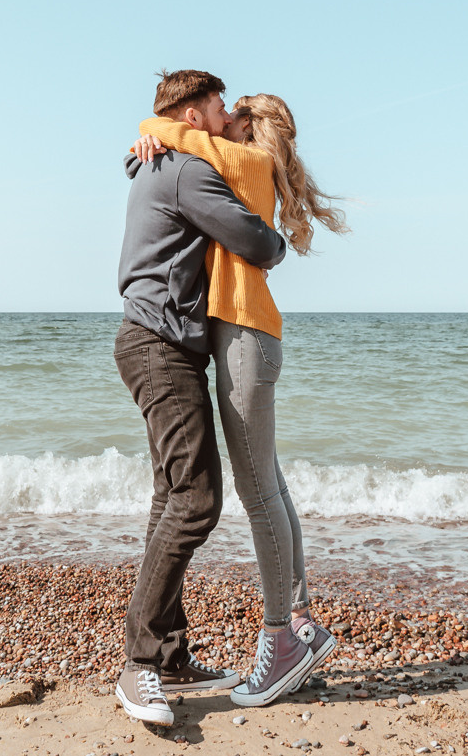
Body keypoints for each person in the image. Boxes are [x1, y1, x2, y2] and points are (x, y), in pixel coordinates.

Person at [129, 91, 349, 707]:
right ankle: (299, 620)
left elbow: (189, 137)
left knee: (256, 493)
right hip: (247, 336)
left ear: (246, 129)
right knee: (269, 485)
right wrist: (160, 137)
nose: (221, 120)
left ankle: (281, 641)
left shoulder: (240, 163)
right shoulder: (240, 165)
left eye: (232, 113)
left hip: (245, 338)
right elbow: (190, 138)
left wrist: (151, 131)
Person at [114, 69, 289, 725]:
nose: (226, 108)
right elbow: (251, 239)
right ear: (193, 112)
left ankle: (168, 652)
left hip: (153, 342)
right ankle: (138, 664)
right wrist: (278, 242)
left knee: (169, 494)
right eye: (218, 102)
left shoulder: (162, 161)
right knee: (198, 499)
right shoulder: (187, 170)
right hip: (160, 345)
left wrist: (145, 140)